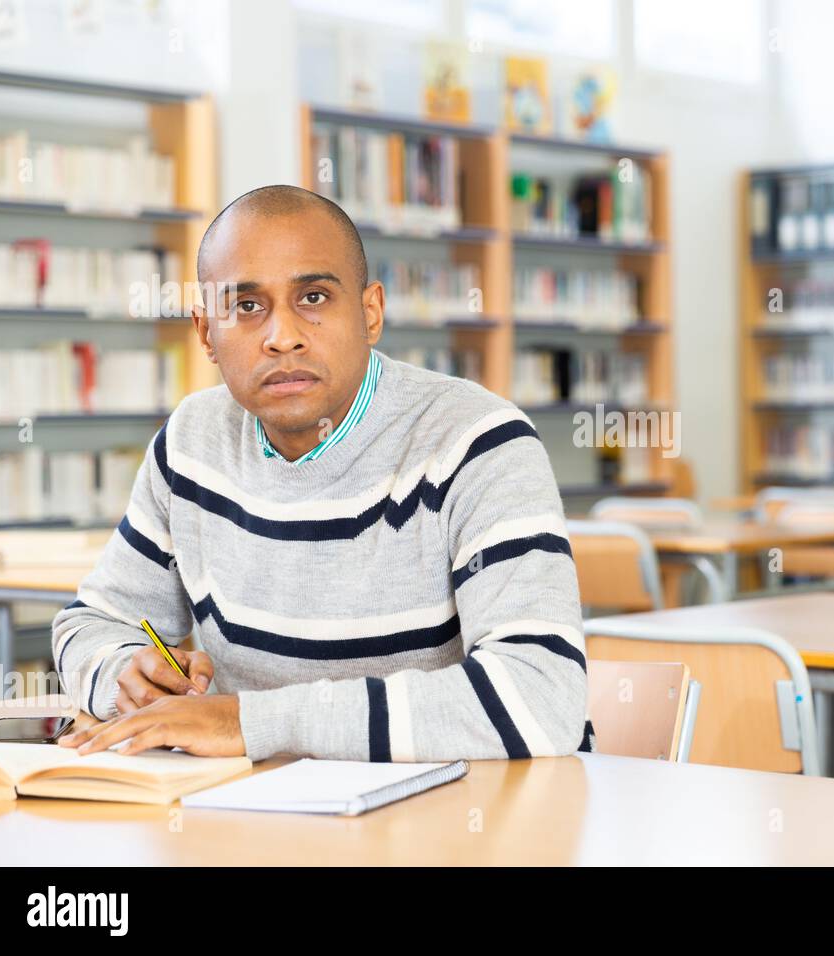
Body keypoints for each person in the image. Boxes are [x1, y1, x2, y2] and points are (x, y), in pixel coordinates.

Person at [54, 185, 590, 762]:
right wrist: (123, 675)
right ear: (207, 332)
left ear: (370, 313)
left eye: (313, 296)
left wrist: (250, 722)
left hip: (451, 825)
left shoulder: (477, 441)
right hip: (253, 818)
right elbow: (91, 622)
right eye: (247, 306)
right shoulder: (191, 443)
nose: (282, 336)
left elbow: (540, 698)